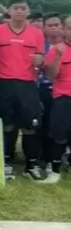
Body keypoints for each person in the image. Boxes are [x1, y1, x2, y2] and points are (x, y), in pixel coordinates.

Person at [0, 0, 45, 181]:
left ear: (28, 11)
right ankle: (6, 162)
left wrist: (40, 60)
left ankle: (31, 165)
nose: (20, 11)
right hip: (4, 83)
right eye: (16, 8)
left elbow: (40, 58)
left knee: (30, 126)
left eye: (23, 8)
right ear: (9, 11)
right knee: (7, 125)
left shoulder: (36, 33)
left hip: (28, 84)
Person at [41, 18, 71, 184]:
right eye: (70, 28)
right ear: (64, 30)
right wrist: (59, 56)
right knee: (59, 134)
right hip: (63, 97)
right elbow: (51, 76)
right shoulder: (55, 50)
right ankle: (54, 170)